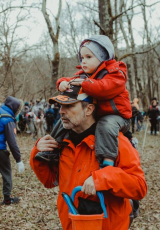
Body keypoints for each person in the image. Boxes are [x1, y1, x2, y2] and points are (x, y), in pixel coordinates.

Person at [30, 90, 147, 230]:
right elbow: (49, 181)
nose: (61, 111)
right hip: (72, 224)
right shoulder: (61, 142)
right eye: (61, 106)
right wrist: (37, 153)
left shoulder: (115, 142)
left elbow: (139, 187)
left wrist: (103, 178)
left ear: (89, 109)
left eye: (69, 106)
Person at [35, 35, 131, 168]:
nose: (83, 61)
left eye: (89, 57)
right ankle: (52, 148)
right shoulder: (85, 74)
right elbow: (69, 79)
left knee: (106, 125)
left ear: (102, 57)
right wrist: (62, 83)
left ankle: (107, 161)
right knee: (65, 121)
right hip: (98, 113)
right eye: (82, 58)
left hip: (117, 116)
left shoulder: (115, 73)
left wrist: (85, 83)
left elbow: (103, 89)